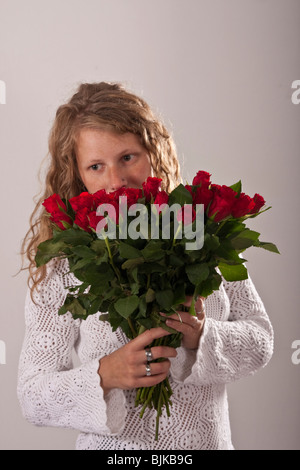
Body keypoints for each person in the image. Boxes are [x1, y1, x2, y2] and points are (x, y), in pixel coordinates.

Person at [18, 82, 274, 450]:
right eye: (96, 166)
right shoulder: (64, 264)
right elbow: (32, 393)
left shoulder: (203, 236)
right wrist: (104, 374)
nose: (117, 180)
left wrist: (200, 336)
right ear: (77, 176)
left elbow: (260, 341)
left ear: (154, 151)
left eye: (128, 157)